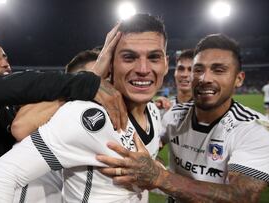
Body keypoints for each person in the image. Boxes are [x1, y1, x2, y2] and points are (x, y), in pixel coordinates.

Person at [0, 14, 168, 202]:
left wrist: (157, 172)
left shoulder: (152, 111)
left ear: (166, 63)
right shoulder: (86, 116)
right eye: (129, 57)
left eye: (154, 57)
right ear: (111, 64)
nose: (143, 69)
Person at [0, 33, 127, 202]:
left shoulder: (9, 107)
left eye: (5, 57)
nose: (5, 63)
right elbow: (17, 86)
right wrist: (86, 81)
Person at [97, 33, 269, 202]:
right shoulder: (173, 115)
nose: (205, 78)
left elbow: (242, 196)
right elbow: (151, 149)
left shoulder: (254, 127)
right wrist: (155, 161)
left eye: (219, 70)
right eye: (198, 70)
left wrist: (159, 176)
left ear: (239, 79)